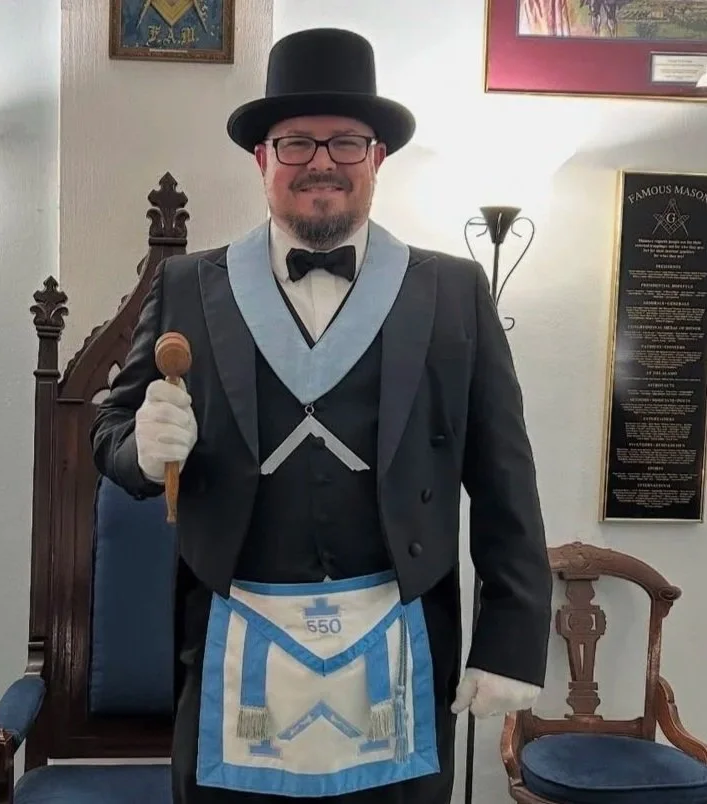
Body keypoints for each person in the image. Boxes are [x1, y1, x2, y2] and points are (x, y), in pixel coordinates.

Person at [91, 27, 552, 804]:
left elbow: (505, 477)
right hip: (234, 644)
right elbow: (109, 436)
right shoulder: (184, 286)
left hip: (399, 641)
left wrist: (510, 640)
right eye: (296, 143)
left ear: (377, 159)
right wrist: (139, 448)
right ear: (262, 160)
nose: (321, 164)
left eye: (346, 143)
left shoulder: (454, 291)